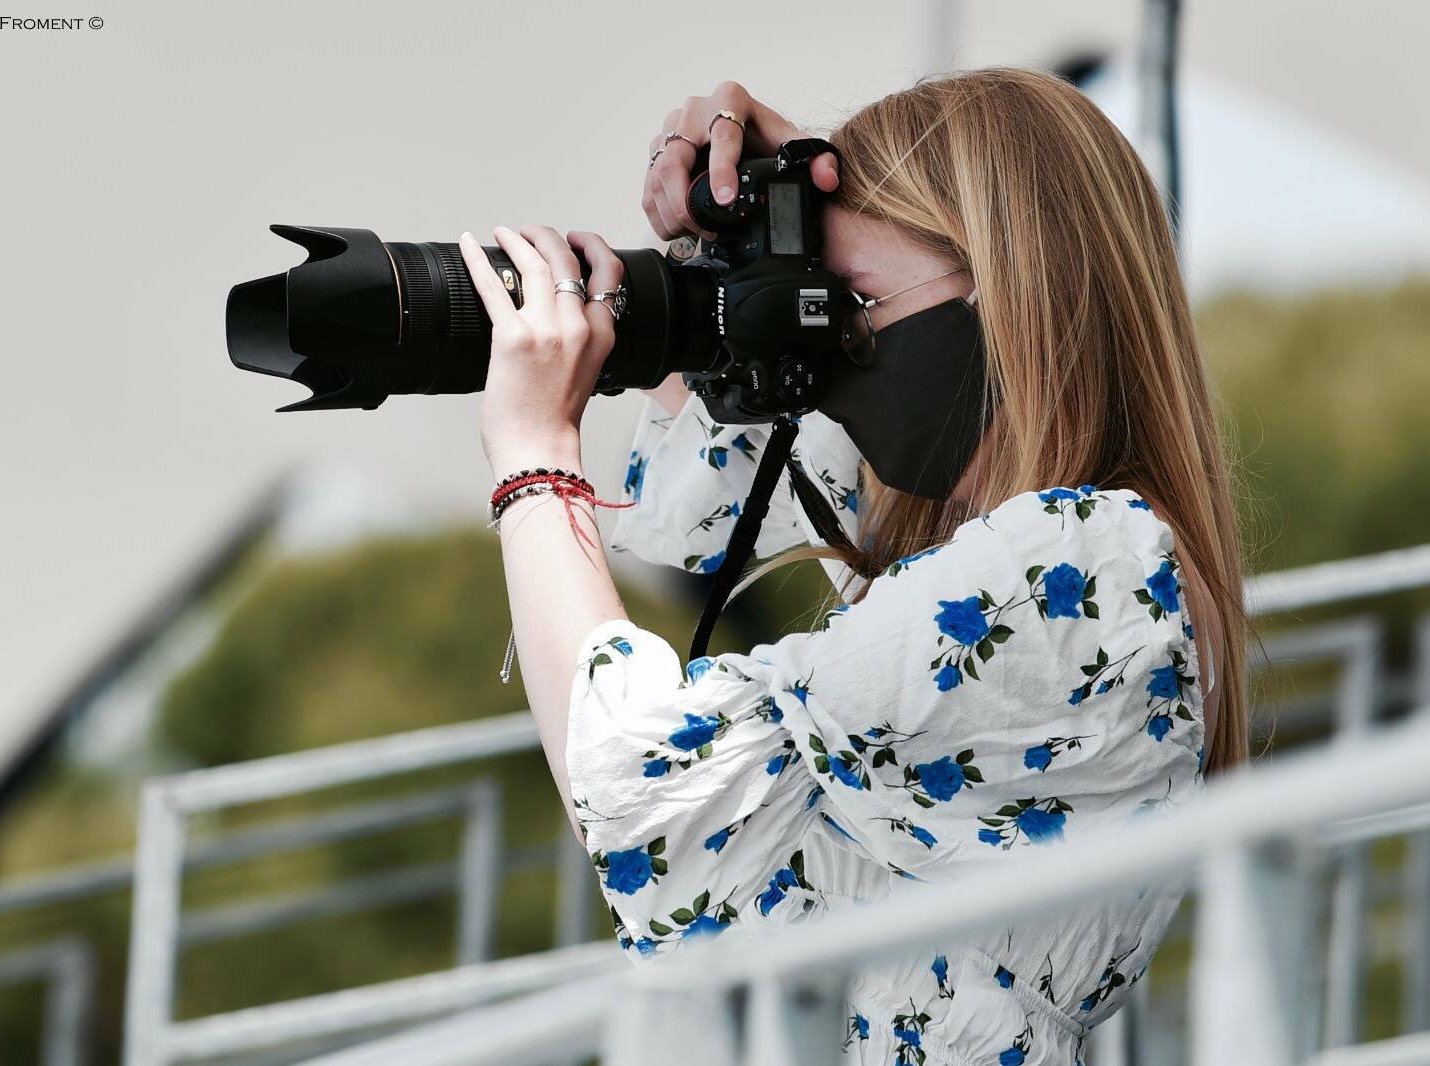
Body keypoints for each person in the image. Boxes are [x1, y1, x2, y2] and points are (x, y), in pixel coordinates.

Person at [457, 68, 1249, 1065]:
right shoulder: (1025, 553)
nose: (844, 340)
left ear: (1011, 288)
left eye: (860, 302)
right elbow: (714, 495)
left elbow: (640, 782)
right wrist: (732, 247)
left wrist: (532, 453)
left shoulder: (1079, 564)